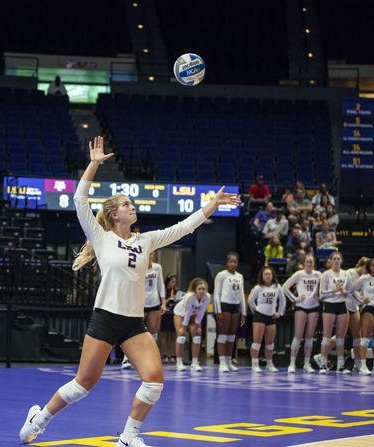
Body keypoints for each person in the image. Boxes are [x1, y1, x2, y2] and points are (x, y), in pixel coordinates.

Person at [18, 136, 240, 446]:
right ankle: (38, 419)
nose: (131, 206)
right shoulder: (101, 237)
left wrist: (210, 206)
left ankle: (128, 437)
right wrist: (94, 164)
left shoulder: (144, 240)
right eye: (126, 204)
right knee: (83, 385)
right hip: (106, 318)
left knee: (154, 381)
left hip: (133, 324)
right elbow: (80, 200)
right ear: (113, 215)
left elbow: (182, 228)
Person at [122, 252, 166, 370]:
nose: (149, 256)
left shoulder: (157, 267)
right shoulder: (137, 267)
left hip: (154, 302)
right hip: (139, 302)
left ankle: (152, 357)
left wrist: (164, 302)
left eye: (150, 254)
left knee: (153, 332)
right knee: (133, 330)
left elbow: (160, 285)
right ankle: (126, 358)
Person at [283, 254, 321, 373]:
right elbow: (285, 287)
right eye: (307, 262)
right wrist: (295, 299)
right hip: (301, 306)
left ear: (314, 263)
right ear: (304, 263)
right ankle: (292, 363)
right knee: (298, 335)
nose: (309, 263)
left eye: (311, 262)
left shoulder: (319, 275)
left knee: (310, 336)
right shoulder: (299, 274)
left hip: (314, 307)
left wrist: (319, 296)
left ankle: (306, 363)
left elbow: (325, 288)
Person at [316, 252, 350, 373]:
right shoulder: (326, 274)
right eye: (334, 258)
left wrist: (344, 291)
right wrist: (334, 290)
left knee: (340, 338)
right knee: (327, 336)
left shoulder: (346, 274)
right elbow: (321, 294)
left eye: (338, 258)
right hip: (329, 305)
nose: (336, 260)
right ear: (330, 261)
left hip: (341, 305)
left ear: (341, 261)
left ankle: (340, 365)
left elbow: (349, 291)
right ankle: (323, 364)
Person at [248, 266, 285, 373]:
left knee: (270, 343)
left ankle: (269, 364)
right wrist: (256, 311)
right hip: (259, 316)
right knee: (257, 342)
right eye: (266, 274)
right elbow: (250, 301)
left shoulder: (277, 287)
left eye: (269, 274)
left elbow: (283, 301)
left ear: (272, 275)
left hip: (271, 317)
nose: (268, 276)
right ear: (262, 276)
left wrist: (279, 313)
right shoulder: (258, 288)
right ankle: (255, 364)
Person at [213, 252, 246, 373]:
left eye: (235, 262)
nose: (233, 264)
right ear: (227, 263)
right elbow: (216, 293)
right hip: (224, 306)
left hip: (236, 307)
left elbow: (242, 295)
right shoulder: (221, 275)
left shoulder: (240, 276)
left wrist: (244, 312)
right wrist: (218, 311)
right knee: (223, 334)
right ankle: (221, 362)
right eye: (231, 261)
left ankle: (228, 360)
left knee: (232, 336)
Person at [172, 278, 209, 371]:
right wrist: (183, 328)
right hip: (180, 313)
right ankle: (179, 362)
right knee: (181, 335)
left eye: (203, 289)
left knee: (197, 335)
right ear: (195, 290)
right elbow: (187, 313)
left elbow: (201, 313)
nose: (201, 291)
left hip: (194, 314)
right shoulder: (190, 297)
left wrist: (197, 326)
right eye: (199, 289)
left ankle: (195, 363)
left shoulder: (207, 297)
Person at [342, 257, 371, 374]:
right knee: (341, 334)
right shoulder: (349, 273)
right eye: (367, 269)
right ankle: (321, 356)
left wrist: (363, 301)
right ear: (363, 266)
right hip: (344, 305)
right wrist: (361, 299)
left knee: (357, 336)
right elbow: (351, 290)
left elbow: (362, 296)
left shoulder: (365, 279)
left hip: (354, 307)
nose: (367, 272)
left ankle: (358, 364)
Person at [158, 274, 183, 363]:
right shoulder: (163, 291)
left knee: (173, 336)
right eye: (172, 281)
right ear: (168, 282)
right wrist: (167, 300)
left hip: (174, 314)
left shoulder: (178, 292)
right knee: (164, 336)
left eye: (175, 282)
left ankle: (173, 355)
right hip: (165, 314)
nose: (174, 283)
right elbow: (160, 303)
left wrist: (177, 300)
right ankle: (164, 355)